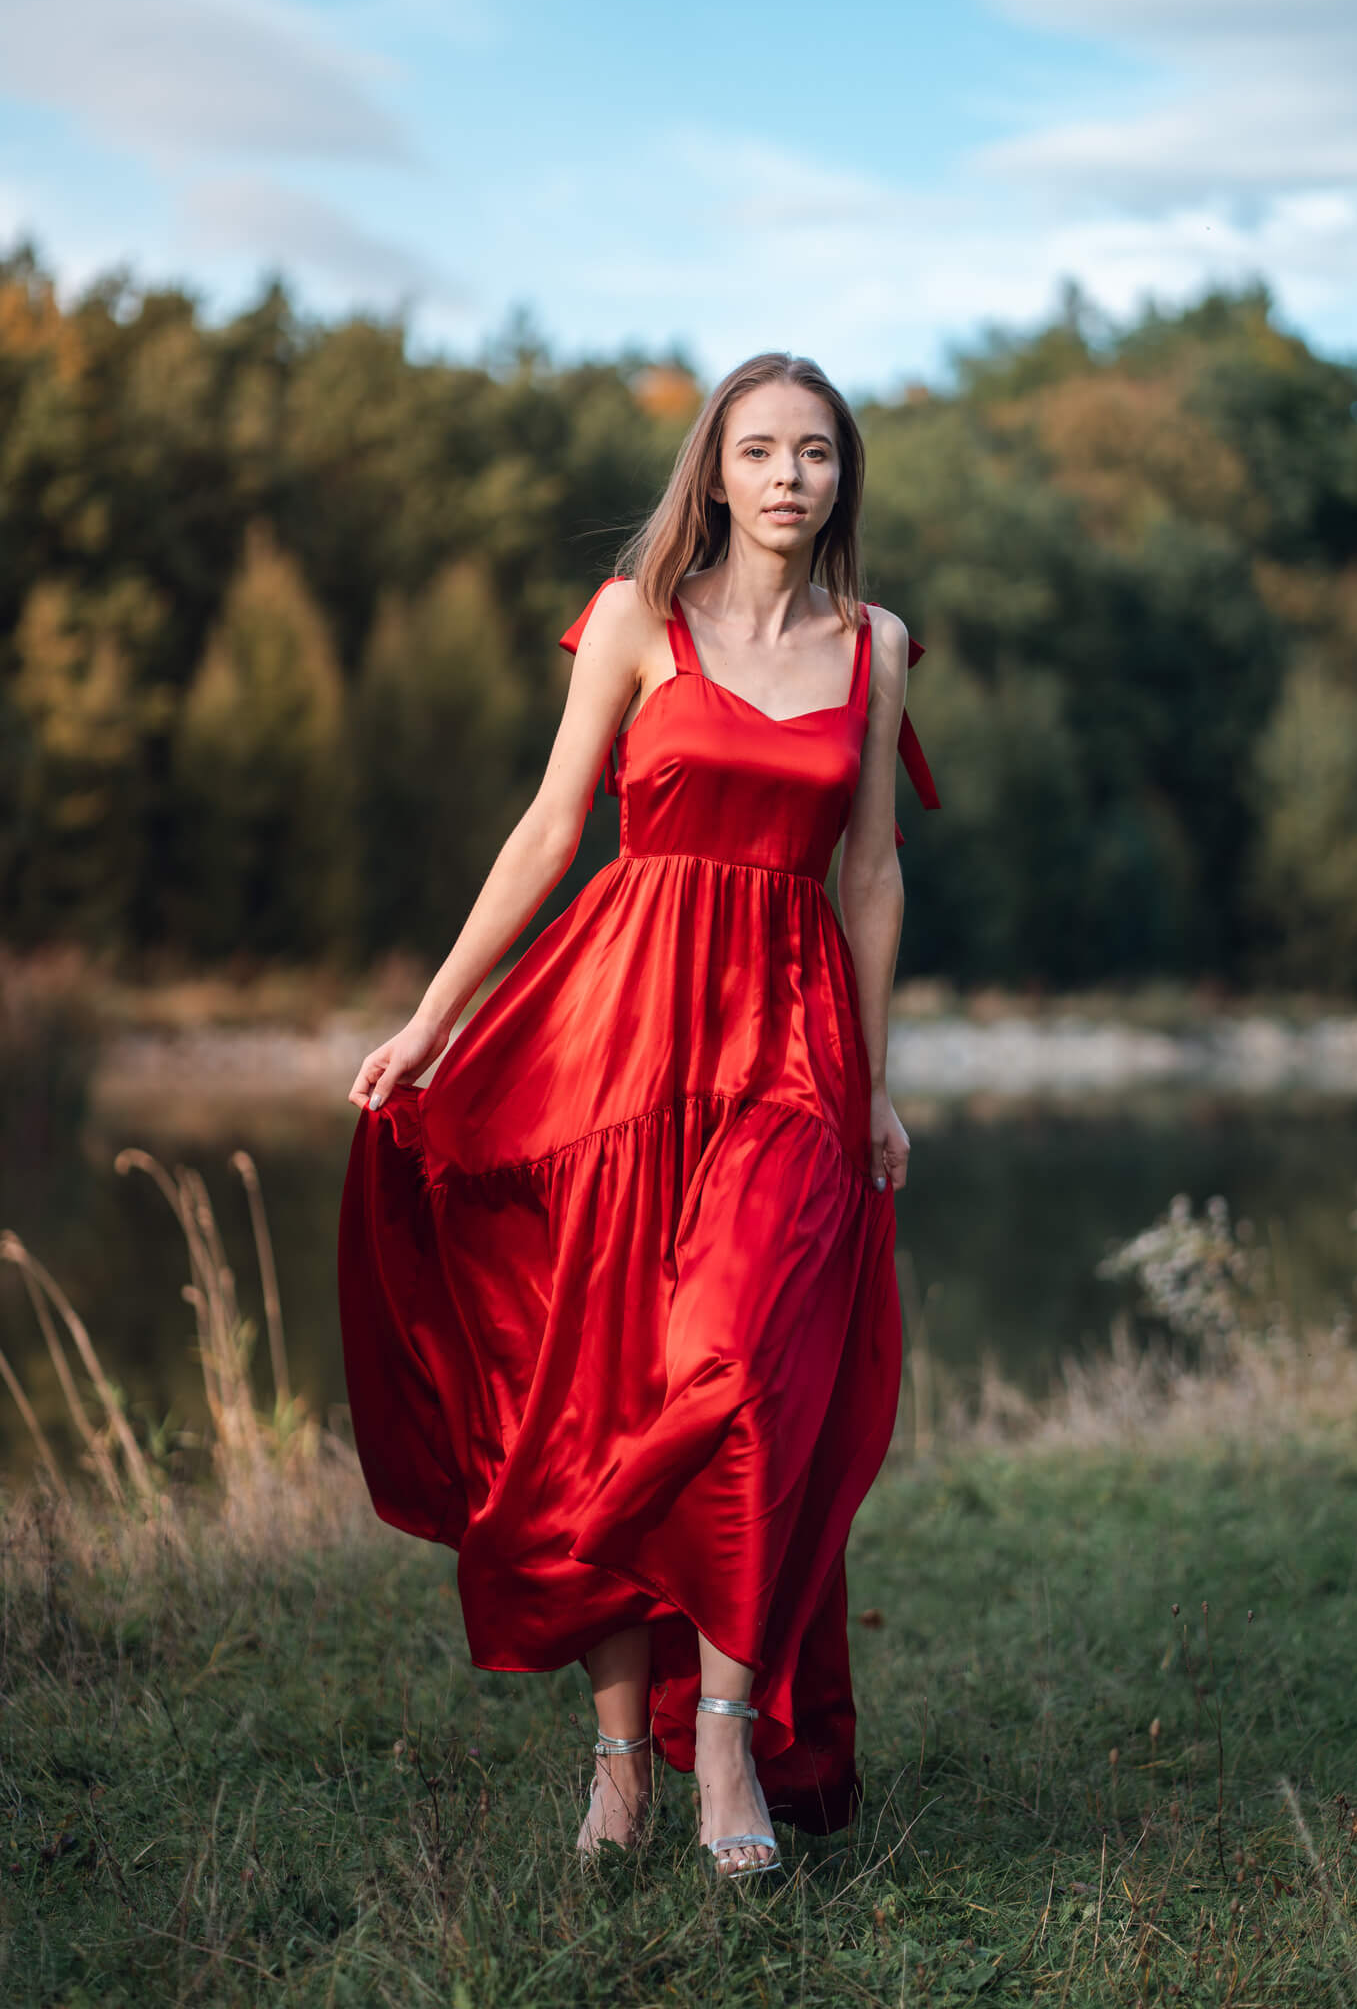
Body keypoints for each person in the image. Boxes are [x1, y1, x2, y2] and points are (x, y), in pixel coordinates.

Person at [337, 349, 940, 1878]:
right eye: (760, 449)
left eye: (816, 451)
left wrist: (875, 1086)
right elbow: (551, 828)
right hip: (618, 1038)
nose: (790, 475)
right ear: (714, 471)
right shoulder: (633, 621)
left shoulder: (876, 646)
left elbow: (868, 874)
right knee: (606, 1390)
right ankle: (618, 1760)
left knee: (739, 1369)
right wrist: (434, 1016)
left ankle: (724, 1733)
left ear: (841, 477)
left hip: (791, 1051)